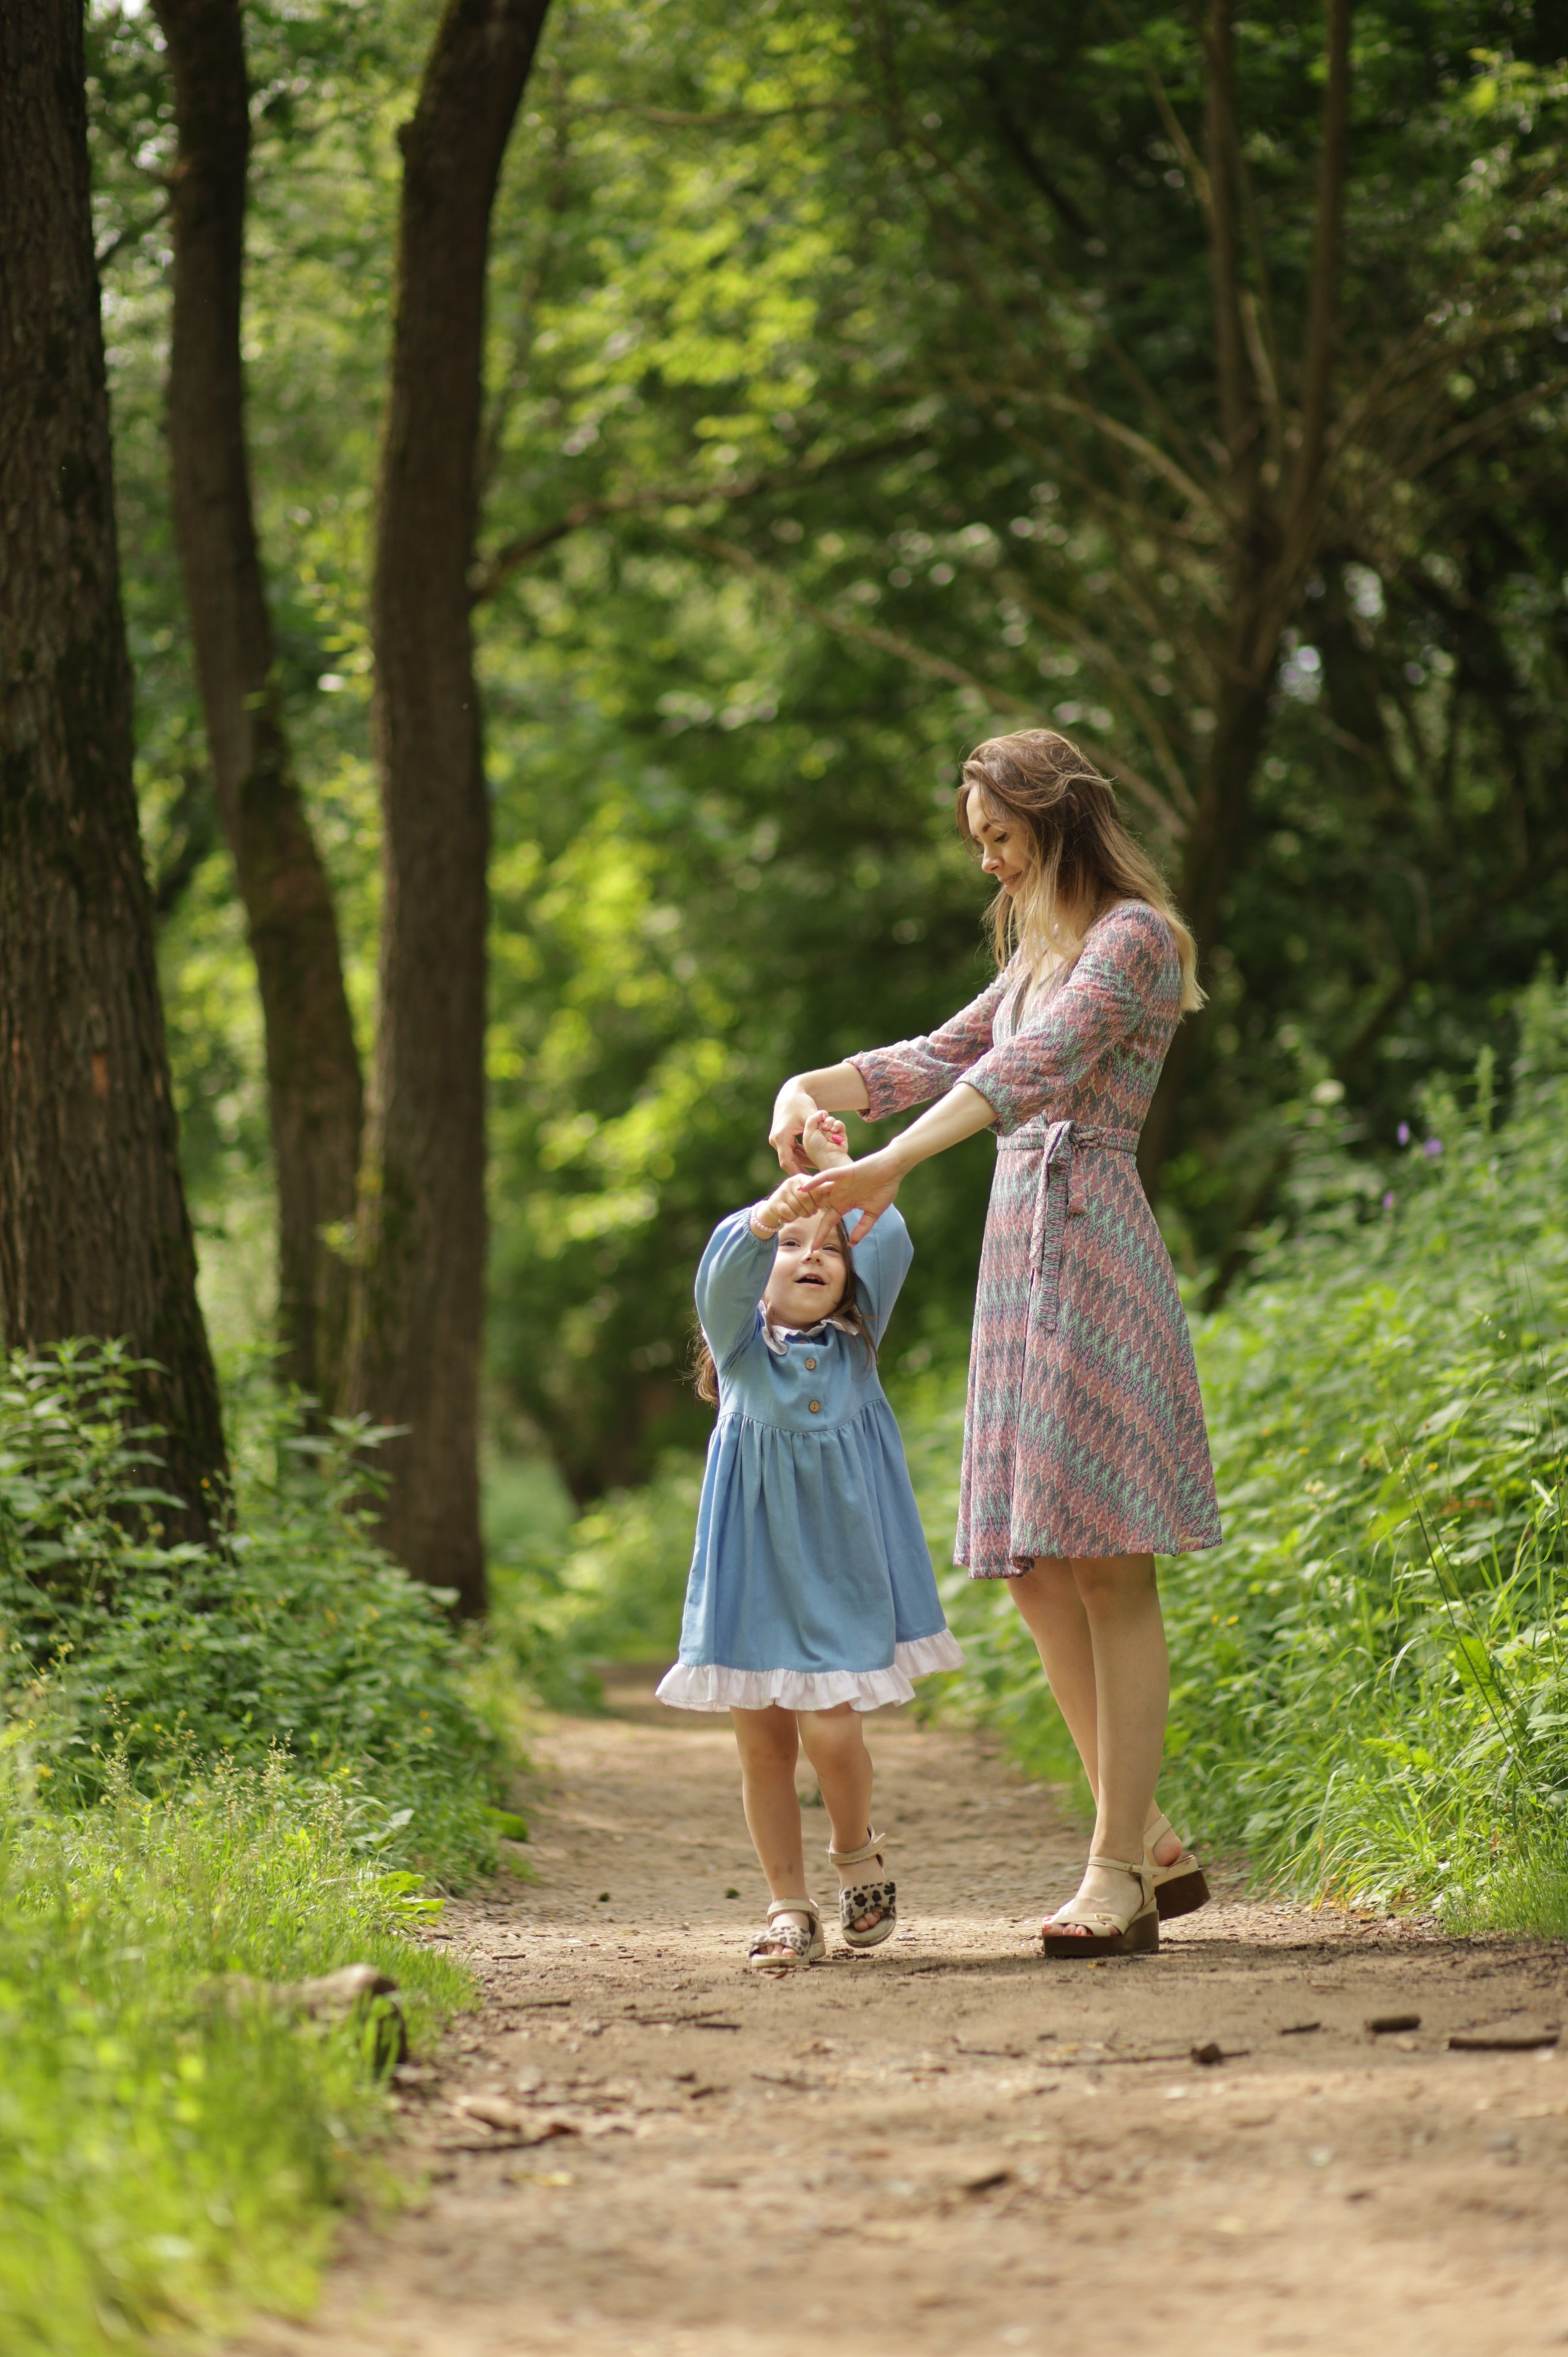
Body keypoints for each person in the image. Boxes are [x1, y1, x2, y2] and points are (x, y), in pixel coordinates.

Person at [771, 728, 1223, 1960]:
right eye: (977, 843)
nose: (987, 862)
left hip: (1092, 1255)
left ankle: (1116, 1868)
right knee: (1033, 1569)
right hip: (1021, 1261)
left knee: (1107, 1563)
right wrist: (803, 1089)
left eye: (998, 836)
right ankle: (1152, 1842)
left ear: (1050, 815)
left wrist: (890, 1164)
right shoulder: (1035, 951)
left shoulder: (1130, 936)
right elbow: (934, 1056)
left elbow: (1032, 1069)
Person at [657, 1112, 963, 1967]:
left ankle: (856, 1852)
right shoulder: (744, 1353)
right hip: (753, 1575)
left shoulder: (856, 1352)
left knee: (831, 1731)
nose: (812, 1255)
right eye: (791, 1247)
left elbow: (890, 1231)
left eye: (830, 1247)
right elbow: (720, 1275)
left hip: (839, 1576)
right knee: (763, 1745)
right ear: (764, 1275)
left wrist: (835, 1163)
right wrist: (768, 1214)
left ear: (851, 1282)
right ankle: (787, 1905)